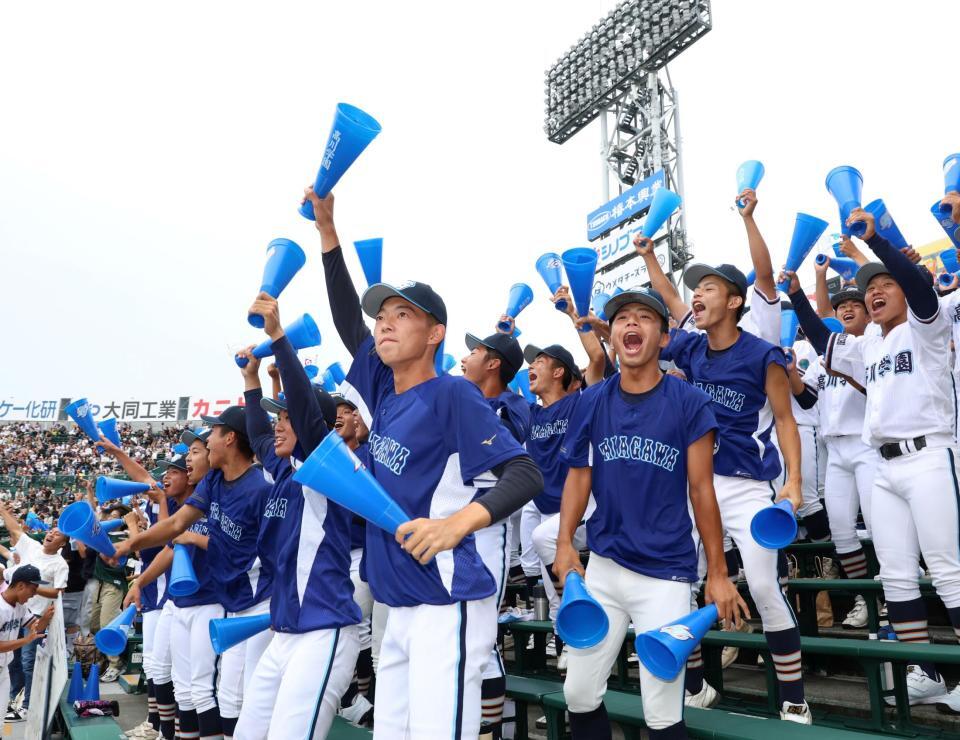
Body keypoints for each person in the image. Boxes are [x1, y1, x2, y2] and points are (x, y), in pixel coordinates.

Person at [303, 184, 543, 738]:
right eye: (382, 315)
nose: (385, 323)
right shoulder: (386, 392)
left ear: (434, 333)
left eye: (402, 314)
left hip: (446, 599)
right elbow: (347, 321)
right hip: (397, 601)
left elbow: (525, 473)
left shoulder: (454, 394)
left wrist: (459, 522)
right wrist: (328, 233)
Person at [785, 206, 960, 712]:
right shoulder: (868, 344)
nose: (874, 292)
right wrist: (797, 294)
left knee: (948, 572)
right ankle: (929, 672)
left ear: (906, 287)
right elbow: (824, 342)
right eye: (868, 288)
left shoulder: (927, 327)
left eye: (885, 284)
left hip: (929, 455)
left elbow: (924, 294)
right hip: (882, 467)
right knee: (898, 578)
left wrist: (879, 243)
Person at [555, 288, 748, 739]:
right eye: (623, 318)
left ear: (663, 337)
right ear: (613, 334)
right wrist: (565, 543)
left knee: (661, 711)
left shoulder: (687, 401)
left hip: (664, 574)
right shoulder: (593, 400)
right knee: (578, 694)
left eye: (645, 317)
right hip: (603, 566)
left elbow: (702, 490)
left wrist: (717, 572)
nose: (632, 325)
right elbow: (579, 476)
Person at [650, 254, 809, 723]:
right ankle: (697, 687)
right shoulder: (690, 349)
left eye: (710, 288)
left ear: (735, 301)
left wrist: (793, 484)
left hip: (747, 486)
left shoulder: (763, 353)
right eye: (696, 289)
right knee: (681, 583)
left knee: (762, 585)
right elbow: (661, 307)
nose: (697, 295)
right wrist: (645, 262)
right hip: (695, 483)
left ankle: (794, 697)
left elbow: (785, 419)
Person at [232, 294, 362, 739]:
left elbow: (308, 416)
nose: (279, 425)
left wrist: (278, 336)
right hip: (285, 632)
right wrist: (251, 381)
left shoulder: (326, 470)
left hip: (323, 632)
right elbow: (256, 433)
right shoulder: (286, 472)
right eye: (277, 417)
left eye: (286, 418)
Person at [460, 331, 532, 738]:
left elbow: (507, 445)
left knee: (481, 642)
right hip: (453, 525)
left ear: (493, 364)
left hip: (487, 528)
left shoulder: (511, 404)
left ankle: (491, 732)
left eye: (476, 351)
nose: (466, 356)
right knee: (460, 640)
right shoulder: (464, 398)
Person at [0, 501, 68, 720]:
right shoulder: (32, 547)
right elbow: (14, 529)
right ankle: (16, 699)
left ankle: (25, 704)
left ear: (63, 543)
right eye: (51, 531)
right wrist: (2, 509)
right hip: (16, 613)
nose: (51, 534)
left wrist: (35, 590)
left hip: (33, 614)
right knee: (14, 661)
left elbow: (58, 592)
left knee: (25, 662)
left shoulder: (60, 564)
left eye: (58, 534)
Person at [0, 566, 54, 717]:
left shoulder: (20, 607)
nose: (34, 594)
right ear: (20, 585)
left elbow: (35, 628)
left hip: (4, 670)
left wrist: (45, 618)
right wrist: (25, 640)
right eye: (33, 589)